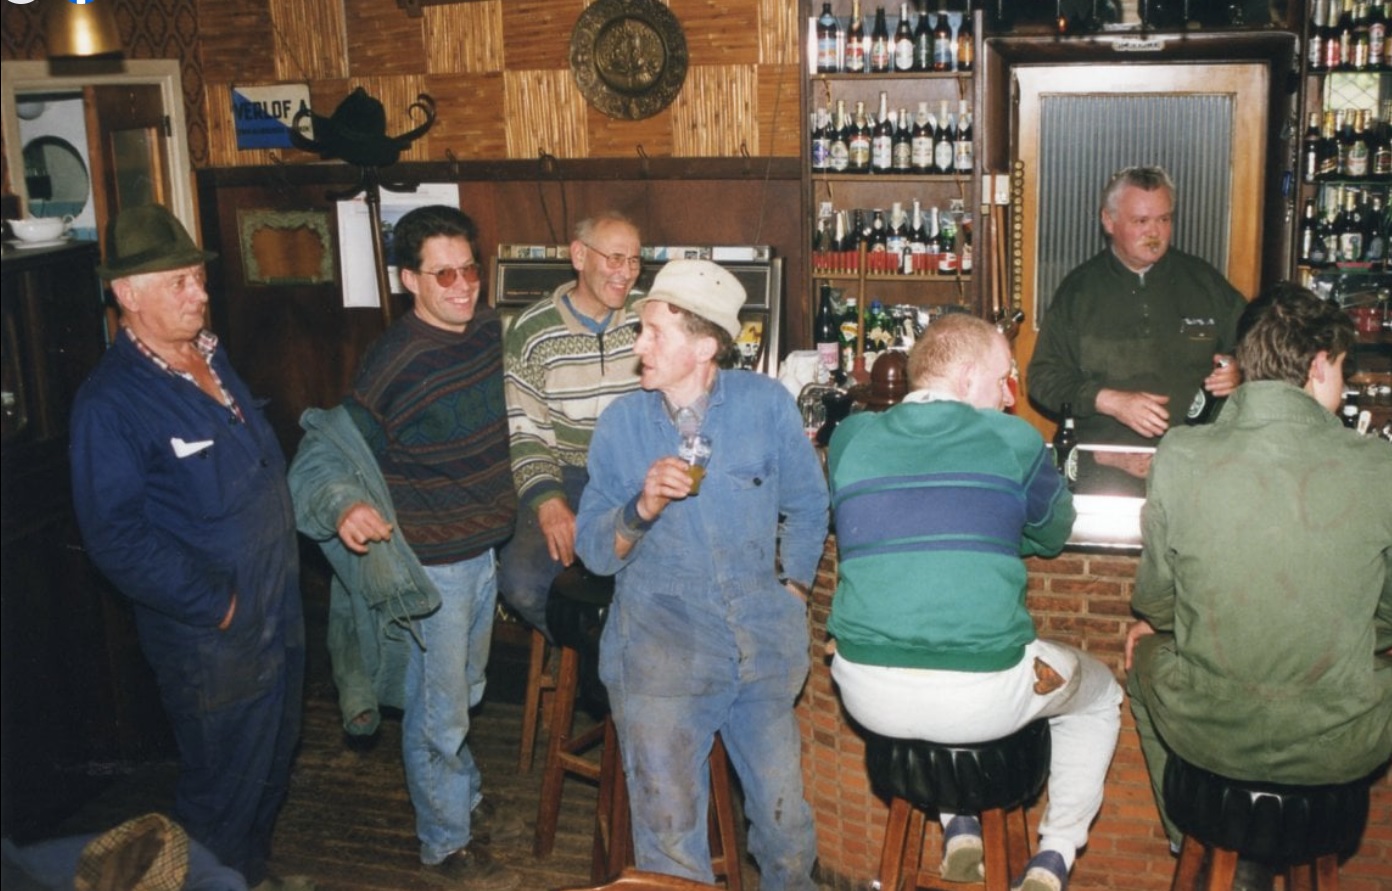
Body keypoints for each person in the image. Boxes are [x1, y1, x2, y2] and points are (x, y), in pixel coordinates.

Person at [827, 313, 1123, 891]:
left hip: (865, 691)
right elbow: (1052, 534)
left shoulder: (850, 438)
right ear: (966, 378)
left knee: (928, 648)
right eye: (1003, 378)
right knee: (1101, 696)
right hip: (982, 695)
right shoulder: (1013, 441)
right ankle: (1056, 854)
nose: (1010, 397)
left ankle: (959, 822)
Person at [69, 205, 308, 891]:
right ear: (126, 293)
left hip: (277, 610)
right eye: (178, 282)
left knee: (269, 769)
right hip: (213, 639)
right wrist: (218, 604)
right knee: (220, 795)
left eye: (198, 278)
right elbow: (115, 537)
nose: (199, 294)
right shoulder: (110, 403)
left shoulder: (208, 354)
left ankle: (248, 878)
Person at [574, 259, 829, 890]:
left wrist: (794, 590)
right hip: (660, 648)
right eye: (642, 330)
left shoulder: (765, 406)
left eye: (654, 332)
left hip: (759, 643)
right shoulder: (622, 425)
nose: (639, 346)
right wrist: (640, 508)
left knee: (788, 834)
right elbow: (595, 553)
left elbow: (809, 503)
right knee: (670, 841)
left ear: (705, 347)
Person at [1126, 284, 1392, 886]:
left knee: (1141, 652)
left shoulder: (1180, 453)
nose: (1344, 384)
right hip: (1340, 745)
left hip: (1209, 738)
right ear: (1319, 365)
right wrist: (1341, 632)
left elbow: (1155, 604)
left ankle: (1197, 843)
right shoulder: (1381, 465)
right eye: (1342, 369)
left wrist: (1163, 627)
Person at [286, 205, 519, 890]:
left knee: (463, 691)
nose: (463, 285)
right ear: (407, 280)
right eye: (443, 274)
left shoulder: (487, 331)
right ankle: (444, 843)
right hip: (435, 567)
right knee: (437, 710)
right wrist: (344, 504)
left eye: (470, 269)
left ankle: (461, 794)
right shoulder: (396, 360)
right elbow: (323, 450)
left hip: (484, 552)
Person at [1028, 165, 1247, 453]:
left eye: (1164, 219)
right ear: (1109, 221)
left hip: (1195, 455)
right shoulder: (1079, 291)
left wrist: (1239, 372)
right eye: (1141, 221)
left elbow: (1261, 350)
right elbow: (1043, 380)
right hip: (1106, 457)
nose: (1154, 232)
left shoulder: (1204, 282)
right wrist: (1107, 401)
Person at [499, 212, 643, 637]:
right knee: (522, 583)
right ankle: (595, 652)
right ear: (579, 256)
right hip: (568, 475)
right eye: (615, 258)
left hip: (637, 474)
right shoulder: (532, 330)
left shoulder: (649, 315)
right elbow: (526, 432)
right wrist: (549, 503)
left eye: (635, 260)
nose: (626, 273)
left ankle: (622, 654)